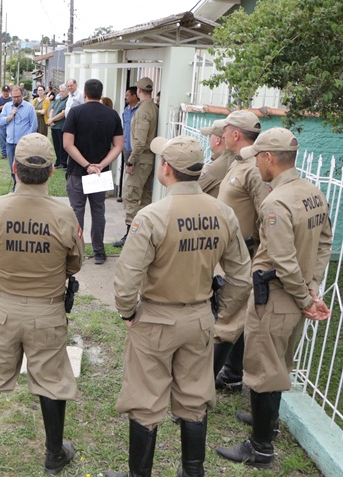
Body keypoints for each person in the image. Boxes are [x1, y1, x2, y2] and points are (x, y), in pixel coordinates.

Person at [106, 135, 251, 477]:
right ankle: (192, 472)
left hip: (156, 317)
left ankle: (139, 475)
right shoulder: (223, 213)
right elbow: (241, 276)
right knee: (194, 399)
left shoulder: (152, 215)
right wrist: (221, 312)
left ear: (166, 169)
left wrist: (128, 313)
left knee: (145, 401)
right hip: (200, 316)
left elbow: (127, 279)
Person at [216, 128, 332, 469]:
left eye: (259, 159)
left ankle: (260, 448)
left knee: (264, 370)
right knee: (279, 364)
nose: (258, 166)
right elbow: (324, 243)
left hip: (277, 296)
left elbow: (282, 259)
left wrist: (303, 296)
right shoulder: (312, 193)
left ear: (269, 159)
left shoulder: (276, 202)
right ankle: (268, 423)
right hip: (295, 296)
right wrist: (312, 288)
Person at [0, 133, 83, 475]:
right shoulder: (64, 213)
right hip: (46, 310)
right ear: (51, 173)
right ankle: (52, 454)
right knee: (52, 380)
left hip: (2, 306)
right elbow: (74, 263)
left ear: (14, 169)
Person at [213, 110, 268, 392]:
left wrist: (259, 253)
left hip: (243, 254)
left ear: (235, 134)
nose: (221, 135)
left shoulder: (254, 169)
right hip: (230, 252)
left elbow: (267, 214)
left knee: (225, 319)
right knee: (239, 317)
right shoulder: (239, 162)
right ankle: (233, 373)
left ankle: (201, 387)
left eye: (226, 130)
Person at [62, 79, 124, 265]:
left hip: (78, 171)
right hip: (100, 173)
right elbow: (118, 146)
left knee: (77, 212)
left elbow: (67, 144)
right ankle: (99, 252)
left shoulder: (76, 112)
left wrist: (87, 165)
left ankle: (77, 251)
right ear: (101, 94)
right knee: (98, 212)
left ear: (85, 94)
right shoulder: (112, 114)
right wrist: (100, 165)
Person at [116, 77, 158, 248]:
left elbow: (139, 142)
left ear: (139, 91)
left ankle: (131, 235)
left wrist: (131, 161)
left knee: (131, 196)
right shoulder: (154, 107)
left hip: (141, 158)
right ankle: (143, 233)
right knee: (145, 197)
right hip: (149, 158)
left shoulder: (143, 111)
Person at [0, 86, 37, 187]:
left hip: (23, 144)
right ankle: (16, 185)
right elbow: (1, 121)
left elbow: (33, 125)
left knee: (23, 166)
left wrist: (26, 139)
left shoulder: (29, 108)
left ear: (23, 96)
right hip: (10, 143)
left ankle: (21, 187)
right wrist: (11, 116)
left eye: (18, 97)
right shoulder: (7, 107)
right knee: (13, 167)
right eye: (14, 97)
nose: (16, 99)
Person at [113, 87, 139, 214]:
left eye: (128, 95)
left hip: (137, 148)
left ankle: (132, 199)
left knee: (135, 174)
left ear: (134, 96)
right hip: (127, 146)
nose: (125, 97)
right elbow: (124, 128)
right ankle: (125, 196)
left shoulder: (139, 111)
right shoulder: (126, 111)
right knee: (127, 171)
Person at [198, 119, 234, 199]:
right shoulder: (232, 158)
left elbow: (191, 190)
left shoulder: (215, 167)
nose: (209, 140)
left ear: (217, 140)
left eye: (210, 136)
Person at [48, 84, 69, 169]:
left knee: (62, 146)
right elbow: (52, 110)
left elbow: (63, 113)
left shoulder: (68, 100)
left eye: (63, 91)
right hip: (54, 126)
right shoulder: (58, 99)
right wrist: (50, 119)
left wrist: (52, 120)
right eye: (60, 91)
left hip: (61, 126)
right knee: (56, 145)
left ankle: (63, 162)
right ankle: (58, 161)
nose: (61, 93)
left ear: (67, 91)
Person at [0, 85, 12, 159]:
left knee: (10, 138)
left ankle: (10, 152)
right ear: (2, 92)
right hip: (2, 122)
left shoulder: (11, 99)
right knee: (2, 138)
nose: (6, 93)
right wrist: (3, 107)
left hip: (10, 121)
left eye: (7, 91)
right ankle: (4, 153)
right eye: (4, 91)